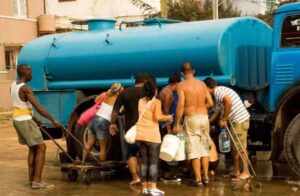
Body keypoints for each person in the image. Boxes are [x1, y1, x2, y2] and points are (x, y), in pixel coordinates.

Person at [10, 64, 61, 189]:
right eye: (30, 72)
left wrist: (35, 119)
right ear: (26, 73)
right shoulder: (26, 88)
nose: (31, 74)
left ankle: (31, 180)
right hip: (25, 121)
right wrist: (53, 120)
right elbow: (38, 107)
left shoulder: (13, 85)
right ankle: (37, 181)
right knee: (41, 148)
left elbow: (20, 106)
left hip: (18, 119)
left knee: (33, 149)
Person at [173, 62, 213, 186]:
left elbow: (180, 105)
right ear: (193, 71)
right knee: (205, 147)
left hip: (191, 118)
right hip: (204, 117)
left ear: (181, 73)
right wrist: (201, 108)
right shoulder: (202, 84)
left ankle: (198, 179)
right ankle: (206, 177)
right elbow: (210, 103)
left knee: (194, 149)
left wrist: (176, 124)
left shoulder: (181, 85)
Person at [204, 77, 250, 181]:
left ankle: (246, 172)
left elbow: (228, 102)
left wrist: (224, 119)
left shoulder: (218, 92)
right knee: (235, 148)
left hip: (239, 120)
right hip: (235, 121)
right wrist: (207, 122)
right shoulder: (219, 92)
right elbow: (217, 111)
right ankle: (236, 171)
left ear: (208, 87)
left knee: (241, 148)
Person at [109, 73, 149, 185]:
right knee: (142, 154)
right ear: (145, 81)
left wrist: (112, 124)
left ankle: (135, 177)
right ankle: (143, 178)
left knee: (130, 153)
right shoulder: (148, 92)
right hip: (145, 128)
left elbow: (115, 110)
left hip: (130, 129)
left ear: (135, 81)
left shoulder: (125, 92)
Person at [136, 76, 172, 195]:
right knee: (153, 162)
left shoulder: (140, 101)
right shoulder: (156, 102)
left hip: (140, 135)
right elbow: (157, 117)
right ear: (155, 90)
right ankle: (153, 187)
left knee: (144, 162)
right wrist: (168, 117)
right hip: (152, 136)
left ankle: (145, 187)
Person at [82, 83, 123, 163]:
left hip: (94, 119)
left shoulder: (105, 95)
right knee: (103, 147)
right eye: (122, 88)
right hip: (103, 121)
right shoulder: (118, 99)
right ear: (118, 92)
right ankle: (103, 168)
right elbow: (120, 111)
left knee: (89, 144)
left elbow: (96, 100)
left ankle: (83, 163)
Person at [158, 73, 181, 182]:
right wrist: (169, 130)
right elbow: (166, 113)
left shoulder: (165, 90)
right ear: (176, 83)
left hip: (165, 123)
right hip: (166, 125)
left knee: (165, 148)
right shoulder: (168, 93)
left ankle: (166, 172)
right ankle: (166, 174)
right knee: (166, 148)